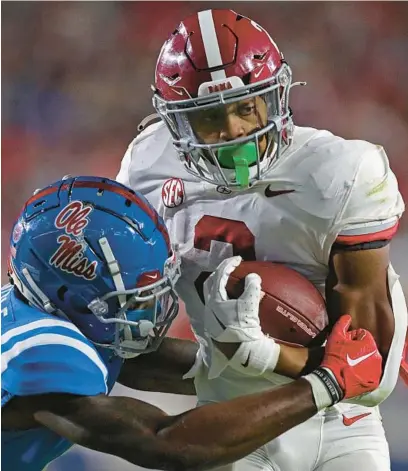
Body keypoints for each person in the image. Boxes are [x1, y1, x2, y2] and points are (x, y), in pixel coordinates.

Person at [116, 8, 408, 471]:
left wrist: (264, 355)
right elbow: (125, 342)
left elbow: (371, 374)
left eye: (245, 106)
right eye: (209, 116)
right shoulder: (149, 165)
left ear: (275, 96)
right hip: (229, 423)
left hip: (339, 424)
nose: (233, 131)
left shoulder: (340, 174)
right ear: (176, 124)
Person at [1, 175, 383, 471]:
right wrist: (325, 383)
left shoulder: (41, 312)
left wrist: (277, 360)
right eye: (132, 300)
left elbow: (134, 361)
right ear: (70, 296)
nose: (151, 313)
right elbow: (168, 444)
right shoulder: (37, 354)